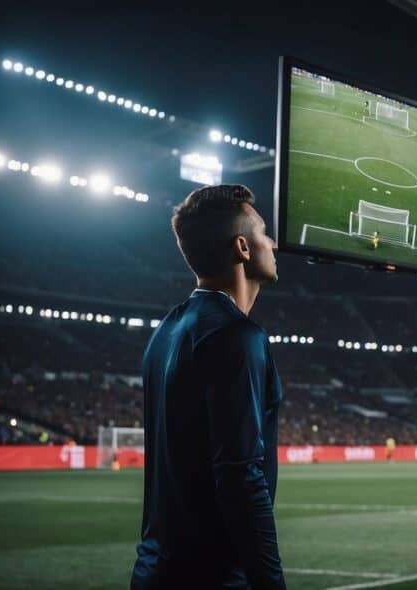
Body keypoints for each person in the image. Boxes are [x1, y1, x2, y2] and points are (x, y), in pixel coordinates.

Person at [131, 185, 286, 590]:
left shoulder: (165, 331)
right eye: (264, 233)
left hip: (152, 572)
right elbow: (240, 477)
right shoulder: (238, 335)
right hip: (212, 577)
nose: (273, 243)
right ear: (243, 247)